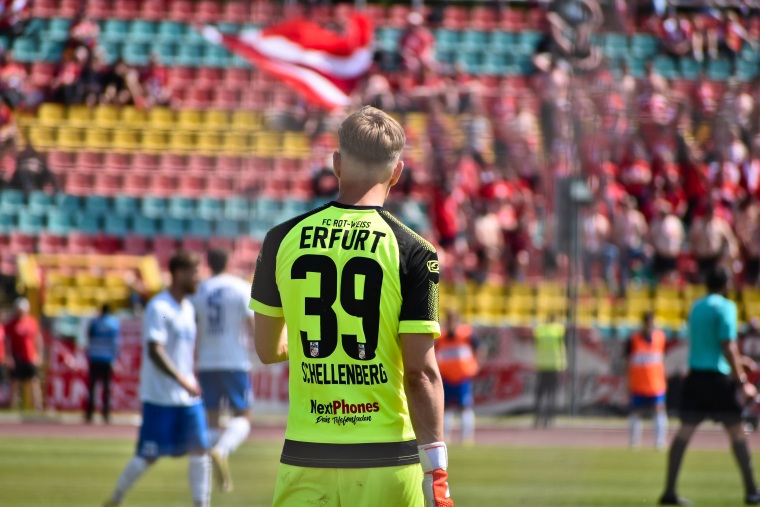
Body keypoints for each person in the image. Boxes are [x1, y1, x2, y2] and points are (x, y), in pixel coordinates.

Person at [250, 106, 453, 507]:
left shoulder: (279, 239)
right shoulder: (416, 251)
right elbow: (420, 374)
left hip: (307, 455)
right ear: (396, 173)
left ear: (336, 163)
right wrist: (437, 472)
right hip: (385, 458)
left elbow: (267, 349)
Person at [104, 252, 210, 507]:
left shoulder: (187, 308)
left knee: (200, 450)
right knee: (148, 456)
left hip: (186, 399)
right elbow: (155, 349)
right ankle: (115, 499)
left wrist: (189, 382)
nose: (199, 278)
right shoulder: (160, 307)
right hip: (161, 397)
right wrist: (183, 380)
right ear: (179, 273)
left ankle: (201, 504)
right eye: (195, 273)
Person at [660, 267, 760, 505]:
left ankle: (669, 491)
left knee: (684, 433)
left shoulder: (696, 307)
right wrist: (742, 382)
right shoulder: (726, 307)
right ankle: (752, 491)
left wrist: (738, 361)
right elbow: (727, 345)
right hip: (717, 379)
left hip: (695, 377)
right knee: (737, 432)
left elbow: (707, 342)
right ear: (726, 285)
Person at [193, 248, 255, 493]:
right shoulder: (240, 286)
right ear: (229, 261)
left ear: (208, 262)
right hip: (234, 361)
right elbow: (252, 325)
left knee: (211, 419)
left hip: (207, 362)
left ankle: (206, 480)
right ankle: (223, 450)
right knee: (243, 415)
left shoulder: (199, 289)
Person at [435, 309, 479, 444]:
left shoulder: (466, 334)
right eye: (449, 320)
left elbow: (480, 348)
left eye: (453, 320)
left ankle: (466, 437)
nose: (451, 324)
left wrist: (475, 365)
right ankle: (445, 437)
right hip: (446, 377)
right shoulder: (441, 337)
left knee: (465, 407)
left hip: (462, 378)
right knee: (446, 407)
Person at [625, 311, 668, 449]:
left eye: (652, 323)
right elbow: (627, 362)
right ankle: (634, 442)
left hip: (656, 384)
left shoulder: (660, 338)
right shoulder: (633, 340)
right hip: (638, 384)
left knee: (659, 411)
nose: (649, 326)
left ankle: (659, 442)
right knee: (636, 412)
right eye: (647, 323)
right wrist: (627, 382)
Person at [84, 304, 120, 424]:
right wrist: (115, 359)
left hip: (94, 357)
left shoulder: (95, 322)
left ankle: (89, 414)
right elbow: (116, 342)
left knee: (92, 387)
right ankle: (106, 414)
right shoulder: (113, 323)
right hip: (107, 359)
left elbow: (88, 336)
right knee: (106, 387)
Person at [6, 297, 43, 411]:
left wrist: (39, 354)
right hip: (16, 356)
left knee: (34, 382)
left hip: (30, 356)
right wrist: (9, 356)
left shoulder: (32, 322)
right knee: (14, 382)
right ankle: (12, 406)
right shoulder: (11, 323)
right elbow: (7, 341)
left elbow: (38, 339)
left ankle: (37, 407)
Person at [533, 313, 567, 428]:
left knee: (540, 394)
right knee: (552, 394)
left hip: (542, 365)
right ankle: (550, 419)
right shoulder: (558, 330)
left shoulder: (540, 330)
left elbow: (535, 344)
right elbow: (562, 344)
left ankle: (537, 418)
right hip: (554, 366)